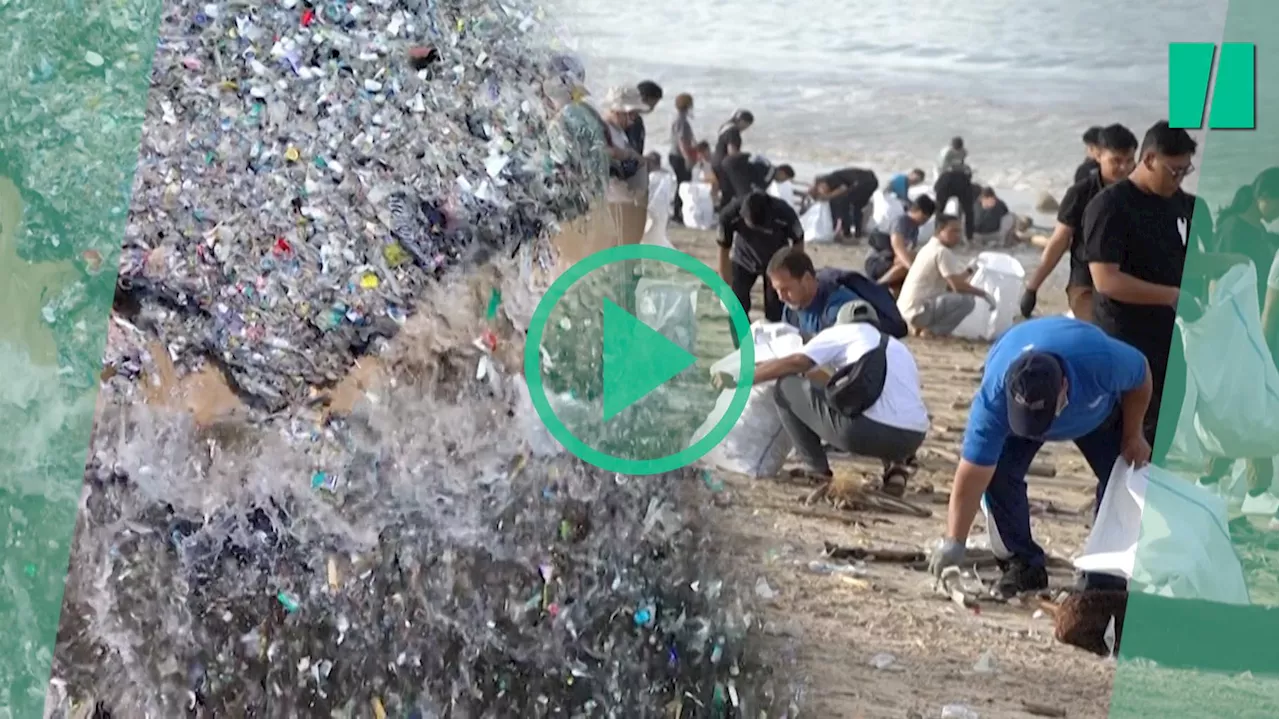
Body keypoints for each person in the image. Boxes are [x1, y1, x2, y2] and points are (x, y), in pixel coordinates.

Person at [927, 317, 1154, 597]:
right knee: (996, 474)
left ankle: (1105, 575)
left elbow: (1141, 374)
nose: (1039, 429)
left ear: (1064, 387)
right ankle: (1022, 565)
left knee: (1123, 475)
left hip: (1096, 415)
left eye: (1040, 418)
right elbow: (972, 473)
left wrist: (1134, 433)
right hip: (1015, 414)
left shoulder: (1099, 360)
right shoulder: (994, 397)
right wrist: (955, 541)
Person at [1083, 120, 1237, 466]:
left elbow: (1178, 264)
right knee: (1126, 441)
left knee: (1161, 435)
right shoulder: (1110, 207)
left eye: (1186, 170)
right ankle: (1115, 513)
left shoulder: (1180, 205)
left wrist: (1226, 263)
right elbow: (1106, 280)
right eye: (1174, 170)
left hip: (1172, 338)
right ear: (1149, 159)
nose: (1180, 178)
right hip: (1125, 340)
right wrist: (1170, 295)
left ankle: (1147, 509)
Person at [711, 300, 929, 496]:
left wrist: (743, 379)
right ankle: (896, 469)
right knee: (888, 404)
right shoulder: (899, 349)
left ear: (841, 324)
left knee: (787, 386)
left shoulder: (844, 333)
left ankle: (817, 470)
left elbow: (798, 362)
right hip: (912, 438)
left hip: (863, 434)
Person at [1197, 167, 1280, 496]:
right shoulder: (1234, 230)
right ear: (1263, 198)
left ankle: (1228, 486)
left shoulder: (1259, 231)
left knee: (1248, 410)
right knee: (1249, 410)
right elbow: (1217, 280)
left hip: (1258, 326)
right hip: (1244, 329)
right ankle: (1239, 489)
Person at [1021, 123, 1138, 323]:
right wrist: (1032, 287)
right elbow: (1059, 241)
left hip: (1128, 281)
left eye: (1129, 161)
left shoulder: (1138, 193)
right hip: (1085, 284)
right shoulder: (1080, 194)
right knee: (1099, 329)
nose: (1124, 168)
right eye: (1116, 161)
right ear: (1098, 155)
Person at [718, 190, 804, 348]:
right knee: (736, 306)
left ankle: (774, 347)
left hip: (776, 262)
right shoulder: (729, 215)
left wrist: (794, 273)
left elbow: (798, 242)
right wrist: (725, 284)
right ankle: (743, 348)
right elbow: (723, 250)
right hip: (743, 260)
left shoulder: (784, 213)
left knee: (775, 310)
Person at [896, 215, 994, 337]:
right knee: (967, 301)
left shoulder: (929, 247)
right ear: (940, 230)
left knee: (958, 297)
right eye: (953, 231)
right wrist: (984, 294)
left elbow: (950, 282)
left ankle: (920, 328)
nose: (958, 236)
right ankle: (932, 331)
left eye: (959, 231)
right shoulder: (942, 252)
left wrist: (969, 270)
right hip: (917, 312)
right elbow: (956, 286)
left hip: (905, 312)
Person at [767, 247, 862, 337]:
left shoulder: (841, 308)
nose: (781, 297)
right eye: (777, 290)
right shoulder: (791, 310)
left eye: (786, 289)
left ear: (806, 279)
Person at [600, 87, 652, 245]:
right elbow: (601, 153)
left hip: (625, 201)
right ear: (617, 110)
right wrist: (628, 156)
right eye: (631, 114)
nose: (633, 120)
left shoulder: (619, 131)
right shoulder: (602, 129)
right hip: (613, 203)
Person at [866, 195, 937, 295]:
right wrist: (913, 269)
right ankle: (876, 288)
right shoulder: (901, 221)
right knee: (911, 260)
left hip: (892, 261)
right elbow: (898, 247)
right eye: (925, 218)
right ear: (919, 212)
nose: (924, 222)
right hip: (878, 261)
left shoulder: (915, 229)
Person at [811, 167, 880, 240]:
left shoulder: (831, 178)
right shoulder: (833, 179)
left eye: (820, 189)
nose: (823, 192)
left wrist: (827, 197)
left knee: (845, 202)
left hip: (864, 182)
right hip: (872, 181)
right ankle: (857, 232)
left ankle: (847, 232)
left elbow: (843, 188)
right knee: (857, 206)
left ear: (822, 183)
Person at [935, 137, 976, 241]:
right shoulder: (946, 153)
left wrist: (966, 171)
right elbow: (941, 168)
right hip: (946, 179)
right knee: (939, 208)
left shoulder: (964, 152)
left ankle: (969, 236)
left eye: (959, 148)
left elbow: (962, 164)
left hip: (960, 178)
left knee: (969, 210)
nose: (957, 150)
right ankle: (937, 234)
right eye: (956, 148)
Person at [712, 110, 755, 209]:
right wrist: (746, 155)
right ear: (742, 121)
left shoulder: (725, 127)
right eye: (747, 125)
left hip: (716, 161)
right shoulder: (734, 131)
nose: (746, 128)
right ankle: (724, 214)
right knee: (730, 192)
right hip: (725, 164)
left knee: (726, 191)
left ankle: (722, 212)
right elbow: (732, 152)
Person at [669, 93, 698, 220]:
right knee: (683, 184)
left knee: (682, 183)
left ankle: (678, 210)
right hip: (679, 156)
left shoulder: (679, 119)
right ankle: (678, 212)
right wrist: (688, 158)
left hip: (676, 155)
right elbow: (682, 141)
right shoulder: (681, 121)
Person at [624, 80, 664, 155]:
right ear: (644, 98)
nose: (653, 108)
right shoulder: (624, 120)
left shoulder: (638, 121)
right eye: (654, 104)